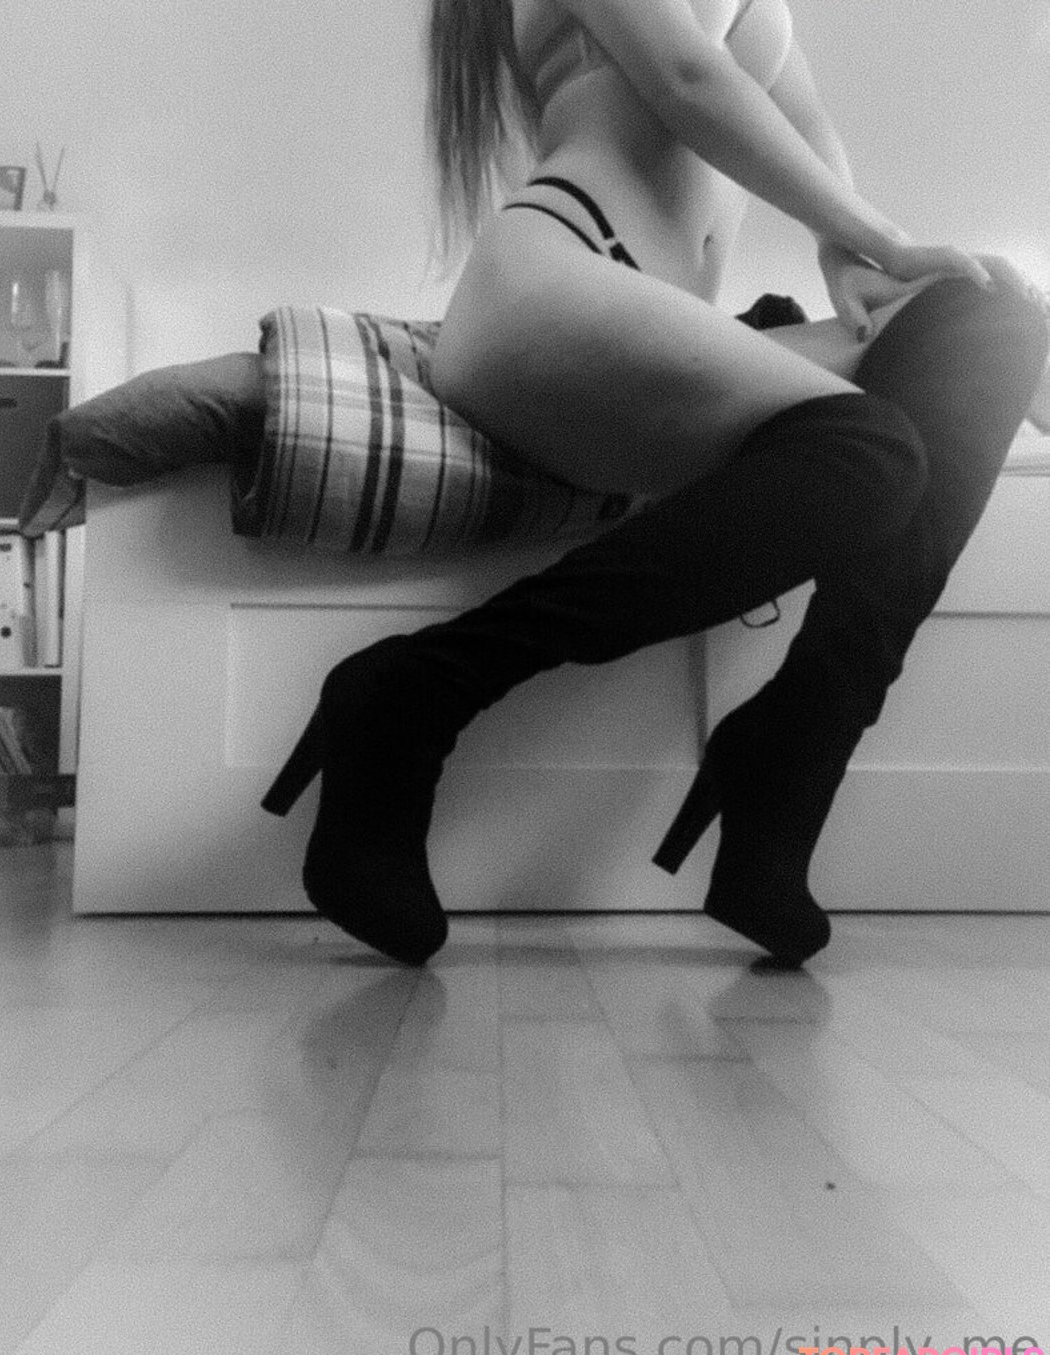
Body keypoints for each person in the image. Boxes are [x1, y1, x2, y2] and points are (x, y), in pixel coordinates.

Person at [262, 0, 1048, 967]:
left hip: (674, 332)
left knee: (990, 315)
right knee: (870, 453)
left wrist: (851, 257)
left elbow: (807, 128)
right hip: (558, 282)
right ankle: (414, 691)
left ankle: (794, 751)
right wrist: (884, 237)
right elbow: (685, 79)